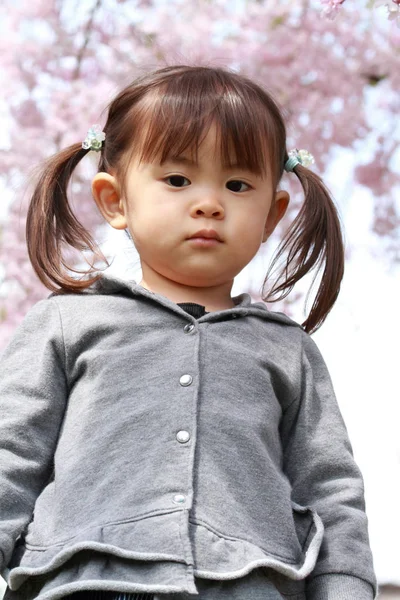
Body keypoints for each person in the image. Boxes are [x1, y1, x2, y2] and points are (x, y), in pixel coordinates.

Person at [0, 65, 377, 600]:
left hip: (249, 585)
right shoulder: (68, 322)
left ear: (272, 216)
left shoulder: (288, 349)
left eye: (238, 184)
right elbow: (11, 451)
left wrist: (344, 587)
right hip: (85, 581)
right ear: (115, 200)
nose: (209, 202)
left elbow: (330, 487)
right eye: (177, 180)